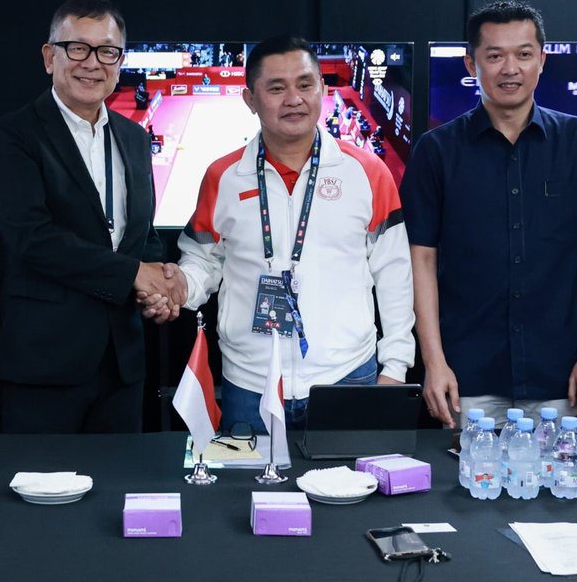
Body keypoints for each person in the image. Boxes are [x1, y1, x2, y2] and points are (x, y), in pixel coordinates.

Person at [404, 0, 577, 429]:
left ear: (542, 60)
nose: (510, 69)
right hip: (466, 375)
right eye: (494, 56)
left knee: (558, 475)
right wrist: (434, 362)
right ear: (471, 63)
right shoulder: (436, 151)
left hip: (561, 376)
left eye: (524, 54)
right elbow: (422, 260)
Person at [172, 36, 414, 429]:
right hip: (250, 384)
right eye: (276, 88)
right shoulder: (223, 176)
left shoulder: (367, 173)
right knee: (246, 474)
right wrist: (180, 286)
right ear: (250, 99)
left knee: (350, 474)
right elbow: (202, 259)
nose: (294, 99)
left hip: (347, 377)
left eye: (305, 84)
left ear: (323, 88)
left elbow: (395, 274)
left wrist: (396, 367)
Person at [0, 0, 181, 433]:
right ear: (49, 56)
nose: (92, 63)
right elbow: (32, 239)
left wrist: (159, 286)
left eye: (107, 51)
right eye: (77, 48)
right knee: (40, 477)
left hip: (122, 364)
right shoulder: (15, 135)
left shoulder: (134, 138)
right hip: (43, 363)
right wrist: (134, 274)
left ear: (120, 62)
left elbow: (141, 234)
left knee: (121, 476)